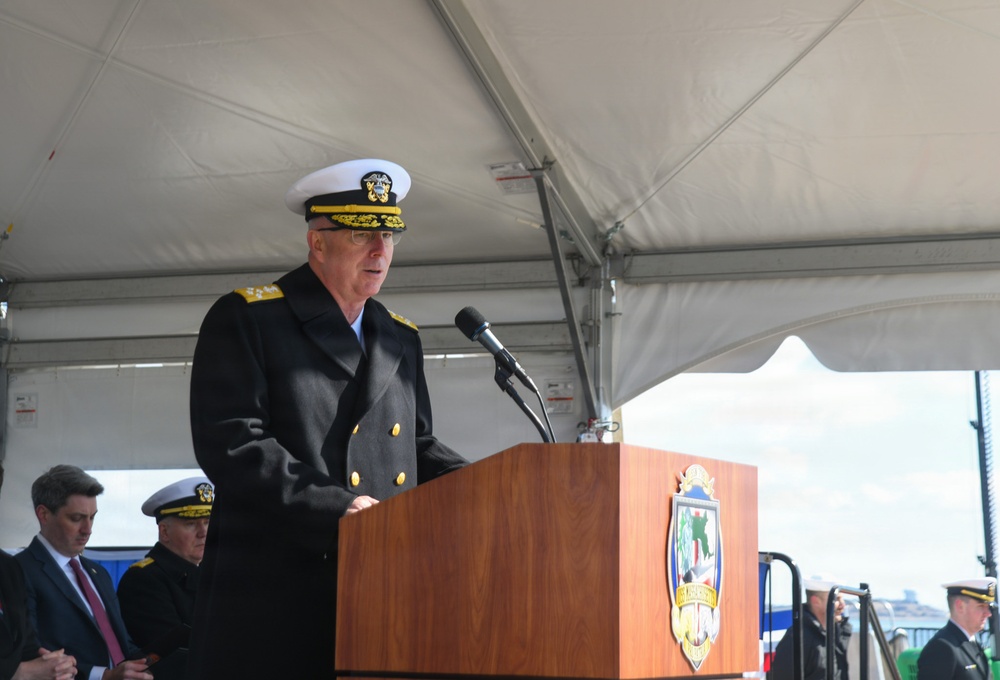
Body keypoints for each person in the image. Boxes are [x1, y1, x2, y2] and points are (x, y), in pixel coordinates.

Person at [186, 158, 469, 679]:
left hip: (382, 584)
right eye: (364, 237)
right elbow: (233, 445)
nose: (381, 252)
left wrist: (483, 484)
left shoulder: (399, 335)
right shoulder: (249, 316)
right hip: (279, 591)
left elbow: (416, 445)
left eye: (389, 236)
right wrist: (338, 506)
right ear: (318, 242)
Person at [14, 465, 151, 680]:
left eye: (92, 517)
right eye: (76, 518)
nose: (88, 529)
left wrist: (151, 662)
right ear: (44, 514)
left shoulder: (98, 572)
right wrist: (103, 676)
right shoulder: (18, 572)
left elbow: (120, 643)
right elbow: (32, 656)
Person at [116, 476, 213, 680]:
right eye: (191, 523)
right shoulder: (143, 580)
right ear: (164, 531)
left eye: (207, 522)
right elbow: (170, 655)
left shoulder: (209, 573)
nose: (203, 532)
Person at [0, 461, 77, 680]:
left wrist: (54, 665)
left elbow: (26, 645)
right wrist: (19, 672)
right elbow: (22, 669)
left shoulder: (8, 567)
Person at [770, 576, 852, 680]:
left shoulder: (837, 633)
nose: (842, 605)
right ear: (815, 601)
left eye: (842, 599)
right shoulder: (797, 639)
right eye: (836, 599)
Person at [917, 577, 995, 680]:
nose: (988, 613)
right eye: (981, 606)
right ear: (960, 606)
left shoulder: (970, 642)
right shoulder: (942, 648)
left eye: (988, 607)